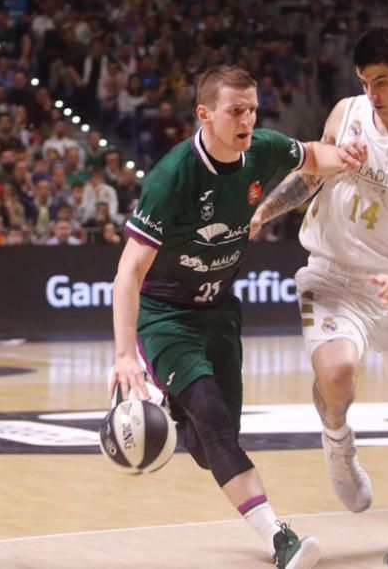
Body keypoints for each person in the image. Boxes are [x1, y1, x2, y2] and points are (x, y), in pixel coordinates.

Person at [110, 65, 365, 569]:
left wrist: (346, 157)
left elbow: (312, 155)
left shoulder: (264, 148)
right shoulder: (171, 177)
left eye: (252, 108)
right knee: (216, 425)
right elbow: (127, 274)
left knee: (211, 447)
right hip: (165, 316)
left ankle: (181, 412)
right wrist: (123, 356)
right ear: (204, 114)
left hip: (220, 311)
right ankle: (281, 539)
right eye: (235, 110)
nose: (246, 118)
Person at [251, 26, 388, 551]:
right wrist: (264, 210)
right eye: (364, 82)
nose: (371, 95)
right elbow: (310, 176)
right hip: (334, 272)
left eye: (381, 82)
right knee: (338, 372)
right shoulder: (347, 114)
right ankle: (336, 438)